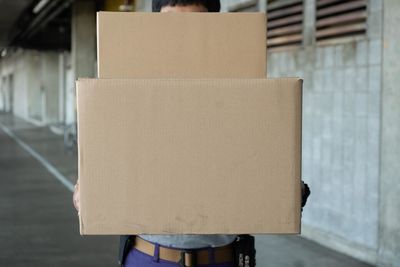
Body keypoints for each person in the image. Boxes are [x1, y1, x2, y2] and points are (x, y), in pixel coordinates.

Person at [73, 1, 310, 266]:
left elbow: (265, 169)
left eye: (194, 26)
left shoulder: (245, 92)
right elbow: (108, 157)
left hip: (221, 259)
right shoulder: (129, 88)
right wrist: (90, 191)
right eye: (171, 26)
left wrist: (284, 190)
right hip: (148, 258)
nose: (182, 37)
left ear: (214, 26)